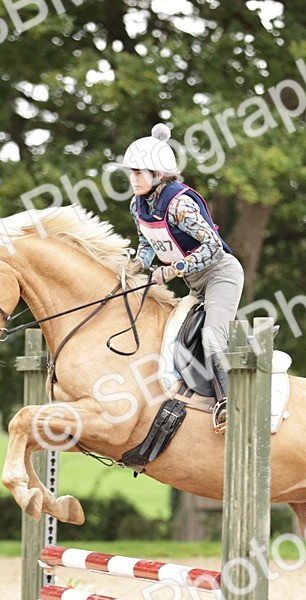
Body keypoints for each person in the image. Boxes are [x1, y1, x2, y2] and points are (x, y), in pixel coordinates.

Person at [119, 123, 245, 427]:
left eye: (139, 172)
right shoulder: (138, 206)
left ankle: (232, 403)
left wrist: (174, 270)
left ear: (158, 175)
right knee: (165, 336)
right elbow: (148, 245)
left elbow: (213, 246)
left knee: (213, 336)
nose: (133, 178)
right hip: (194, 284)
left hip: (220, 275)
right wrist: (136, 264)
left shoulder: (180, 205)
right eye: (131, 172)